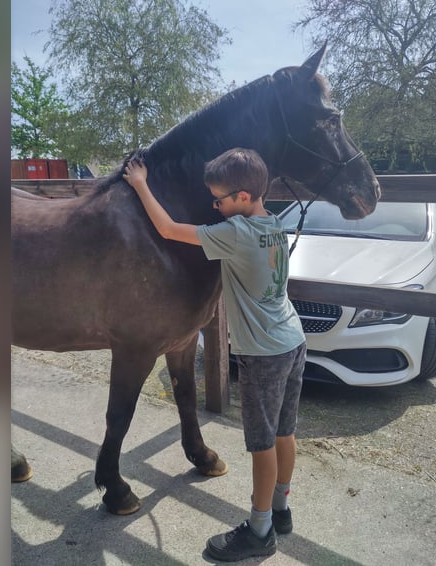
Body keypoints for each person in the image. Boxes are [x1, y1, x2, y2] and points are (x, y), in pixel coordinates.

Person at [123, 148, 306, 562]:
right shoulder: (275, 223)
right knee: (284, 432)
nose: (214, 206)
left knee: (262, 445)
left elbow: (168, 229)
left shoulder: (237, 233)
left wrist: (140, 184)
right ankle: (281, 509)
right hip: (293, 341)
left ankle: (259, 532)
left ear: (243, 197)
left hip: (264, 353)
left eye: (219, 199)